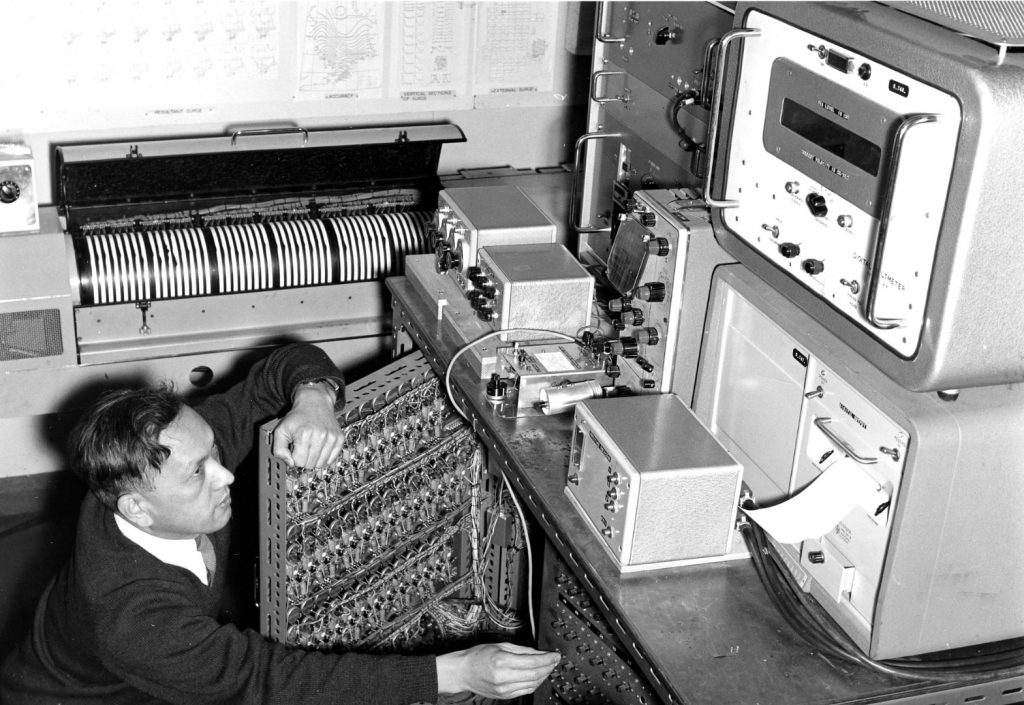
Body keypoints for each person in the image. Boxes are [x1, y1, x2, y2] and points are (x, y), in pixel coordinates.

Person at [0, 342, 559, 704]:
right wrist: (451, 675)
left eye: (215, 450)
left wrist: (314, 395)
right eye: (200, 473)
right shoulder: (129, 615)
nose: (227, 475)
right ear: (137, 511)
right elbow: (265, 680)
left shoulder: (166, 457)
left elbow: (277, 369)